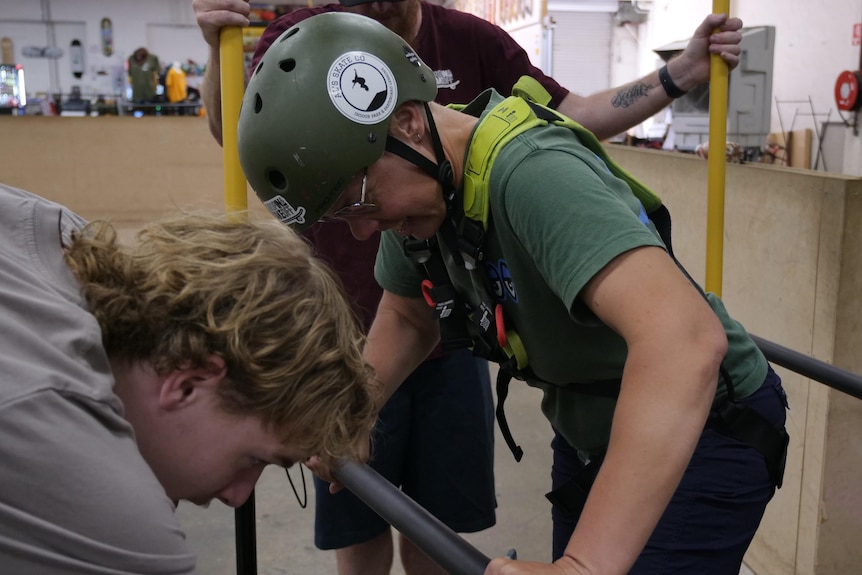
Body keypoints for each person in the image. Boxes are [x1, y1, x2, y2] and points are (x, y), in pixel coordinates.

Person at [193, 1, 744, 574]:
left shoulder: (530, 173)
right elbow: (408, 316)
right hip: (589, 424)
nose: (359, 230)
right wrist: (351, 412)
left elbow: (685, 344)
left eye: (355, 201)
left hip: (703, 425)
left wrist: (583, 566)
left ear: (406, 123)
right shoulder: (419, 193)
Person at [0, 182, 376, 574]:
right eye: (254, 460)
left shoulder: (51, 233)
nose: (238, 496)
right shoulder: (105, 507)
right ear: (188, 384)